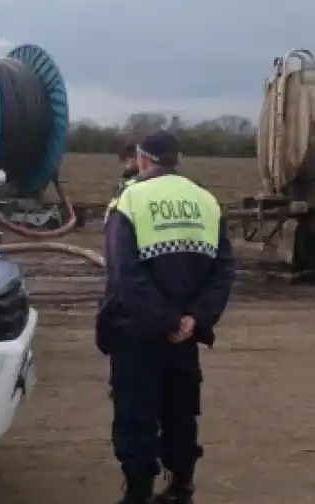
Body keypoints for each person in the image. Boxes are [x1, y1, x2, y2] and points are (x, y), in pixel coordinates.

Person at [96, 131, 236, 504]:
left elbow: (124, 274)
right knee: (179, 412)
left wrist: (166, 320)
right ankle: (180, 488)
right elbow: (223, 270)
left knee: (136, 414)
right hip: (185, 336)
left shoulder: (130, 200)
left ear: (142, 160)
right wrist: (193, 319)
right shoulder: (206, 201)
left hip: (136, 332)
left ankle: (138, 493)